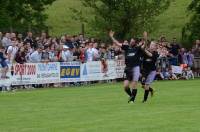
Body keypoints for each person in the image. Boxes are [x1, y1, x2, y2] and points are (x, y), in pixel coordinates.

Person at [109, 30, 144, 103]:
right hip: (127, 69)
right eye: (130, 41)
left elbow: (145, 45)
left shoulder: (137, 48)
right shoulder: (127, 47)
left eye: (133, 42)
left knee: (134, 85)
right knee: (125, 86)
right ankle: (131, 96)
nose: (131, 42)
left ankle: (132, 100)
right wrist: (112, 37)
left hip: (135, 68)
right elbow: (117, 43)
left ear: (135, 43)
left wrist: (145, 39)